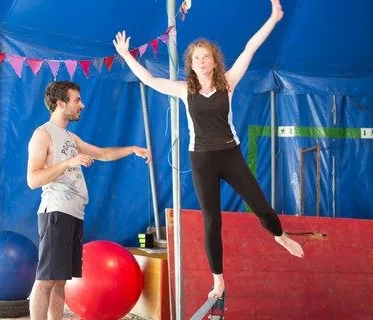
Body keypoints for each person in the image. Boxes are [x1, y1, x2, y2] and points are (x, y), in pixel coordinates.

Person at [113, 0, 303, 300]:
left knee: (260, 204)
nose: (201, 61)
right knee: (212, 220)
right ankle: (218, 279)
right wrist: (126, 55)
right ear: (190, 63)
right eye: (196, 57)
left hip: (230, 154)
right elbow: (150, 79)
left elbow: (250, 48)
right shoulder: (183, 90)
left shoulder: (228, 82)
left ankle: (279, 235)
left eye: (206, 57)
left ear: (215, 61)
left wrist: (274, 18)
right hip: (201, 159)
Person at [26, 81, 151, 320]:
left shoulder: (70, 137)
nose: (82, 105)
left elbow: (103, 153)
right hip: (56, 211)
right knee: (46, 280)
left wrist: (133, 148)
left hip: (74, 212)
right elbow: (33, 179)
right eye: (76, 100)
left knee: (60, 280)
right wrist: (67, 163)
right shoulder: (42, 135)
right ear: (61, 103)